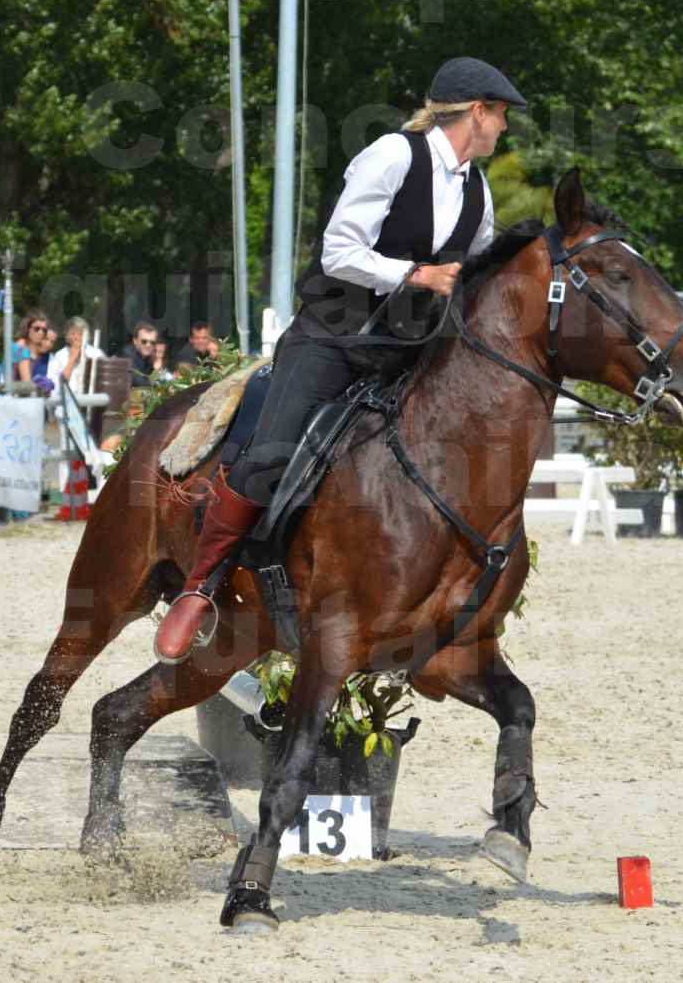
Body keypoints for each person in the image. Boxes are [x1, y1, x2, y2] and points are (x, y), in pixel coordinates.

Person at [154, 56, 525, 663]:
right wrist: (415, 273)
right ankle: (201, 585)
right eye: (501, 117)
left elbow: (479, 275)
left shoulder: (476, 193)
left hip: (408, 352)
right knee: (270, 454)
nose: (504, 129)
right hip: (333, 337)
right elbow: (339, 252)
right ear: (477, 112)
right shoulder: (392, 156)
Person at [47, 316, 105, 397]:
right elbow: (58, 386)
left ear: (87, 335)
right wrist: (72, 358)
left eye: (81, 333)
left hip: (90, 401)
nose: (76, 337)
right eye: (73, 333)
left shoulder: (96, 353)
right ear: (67, 335)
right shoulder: (59, 356)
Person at [122, 321, 158, 387]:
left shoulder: (148, 358)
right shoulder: (127, 354)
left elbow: (152, 379)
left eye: (152, 342)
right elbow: (137, 382)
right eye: (144, 341)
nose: (148, 345)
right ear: (135, 341)